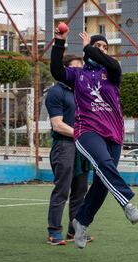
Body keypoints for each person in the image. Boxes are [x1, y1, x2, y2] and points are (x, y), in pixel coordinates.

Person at [50, 28, 138, 249]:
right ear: (87, 52)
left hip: (114, 134)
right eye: (98, 46)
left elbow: (112, 63)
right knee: (103, 164)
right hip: (87, 131)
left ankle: (81, 222)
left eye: (105, 48)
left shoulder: (112, 73)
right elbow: (56, 70)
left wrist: (89, 47)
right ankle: (127, 204)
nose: (101, 51)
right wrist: (59, 42)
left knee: (103, 182)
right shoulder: (78, 75)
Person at [45, 54, 94, 246]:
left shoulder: (82, 92)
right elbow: (57, 125)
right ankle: (54, 232)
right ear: (65, 71)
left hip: (81, 147)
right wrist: (80, 133)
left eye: (81, 70)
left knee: (80, 192)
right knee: (62, 191)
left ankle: (75, 232)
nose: (80, 73)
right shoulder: (56, 92)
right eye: (75, 69)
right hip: (64, 146)